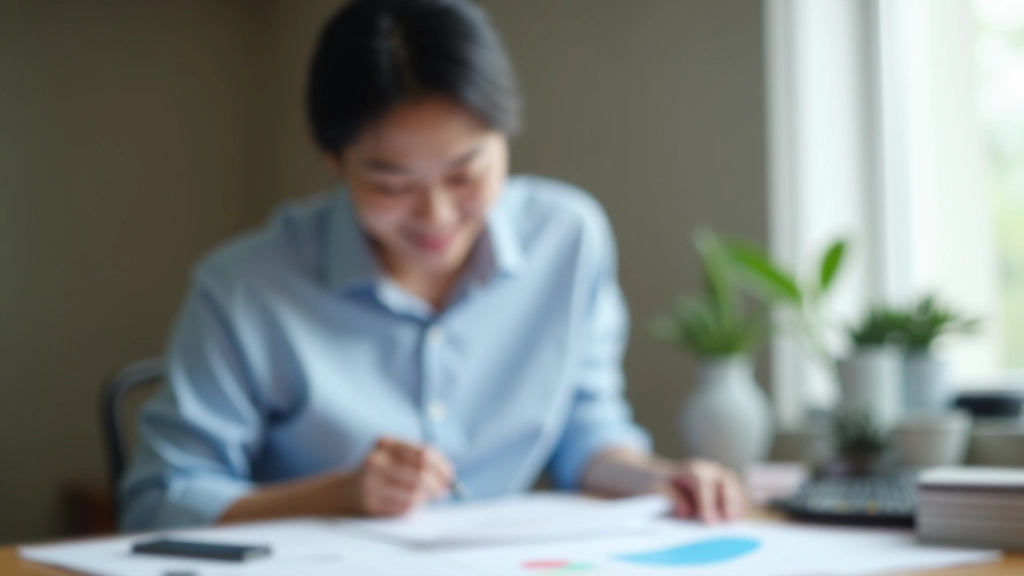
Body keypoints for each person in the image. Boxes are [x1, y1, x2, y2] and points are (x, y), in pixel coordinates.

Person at [120, 0, 746, 531]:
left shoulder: (566, 237)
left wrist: (661, 478)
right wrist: (341, 496)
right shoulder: (246, 286)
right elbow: (158, 500)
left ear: (505, 136)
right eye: (392, 185)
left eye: (466, 173)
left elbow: (584, 430)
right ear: (332, 159)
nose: (437, 215)